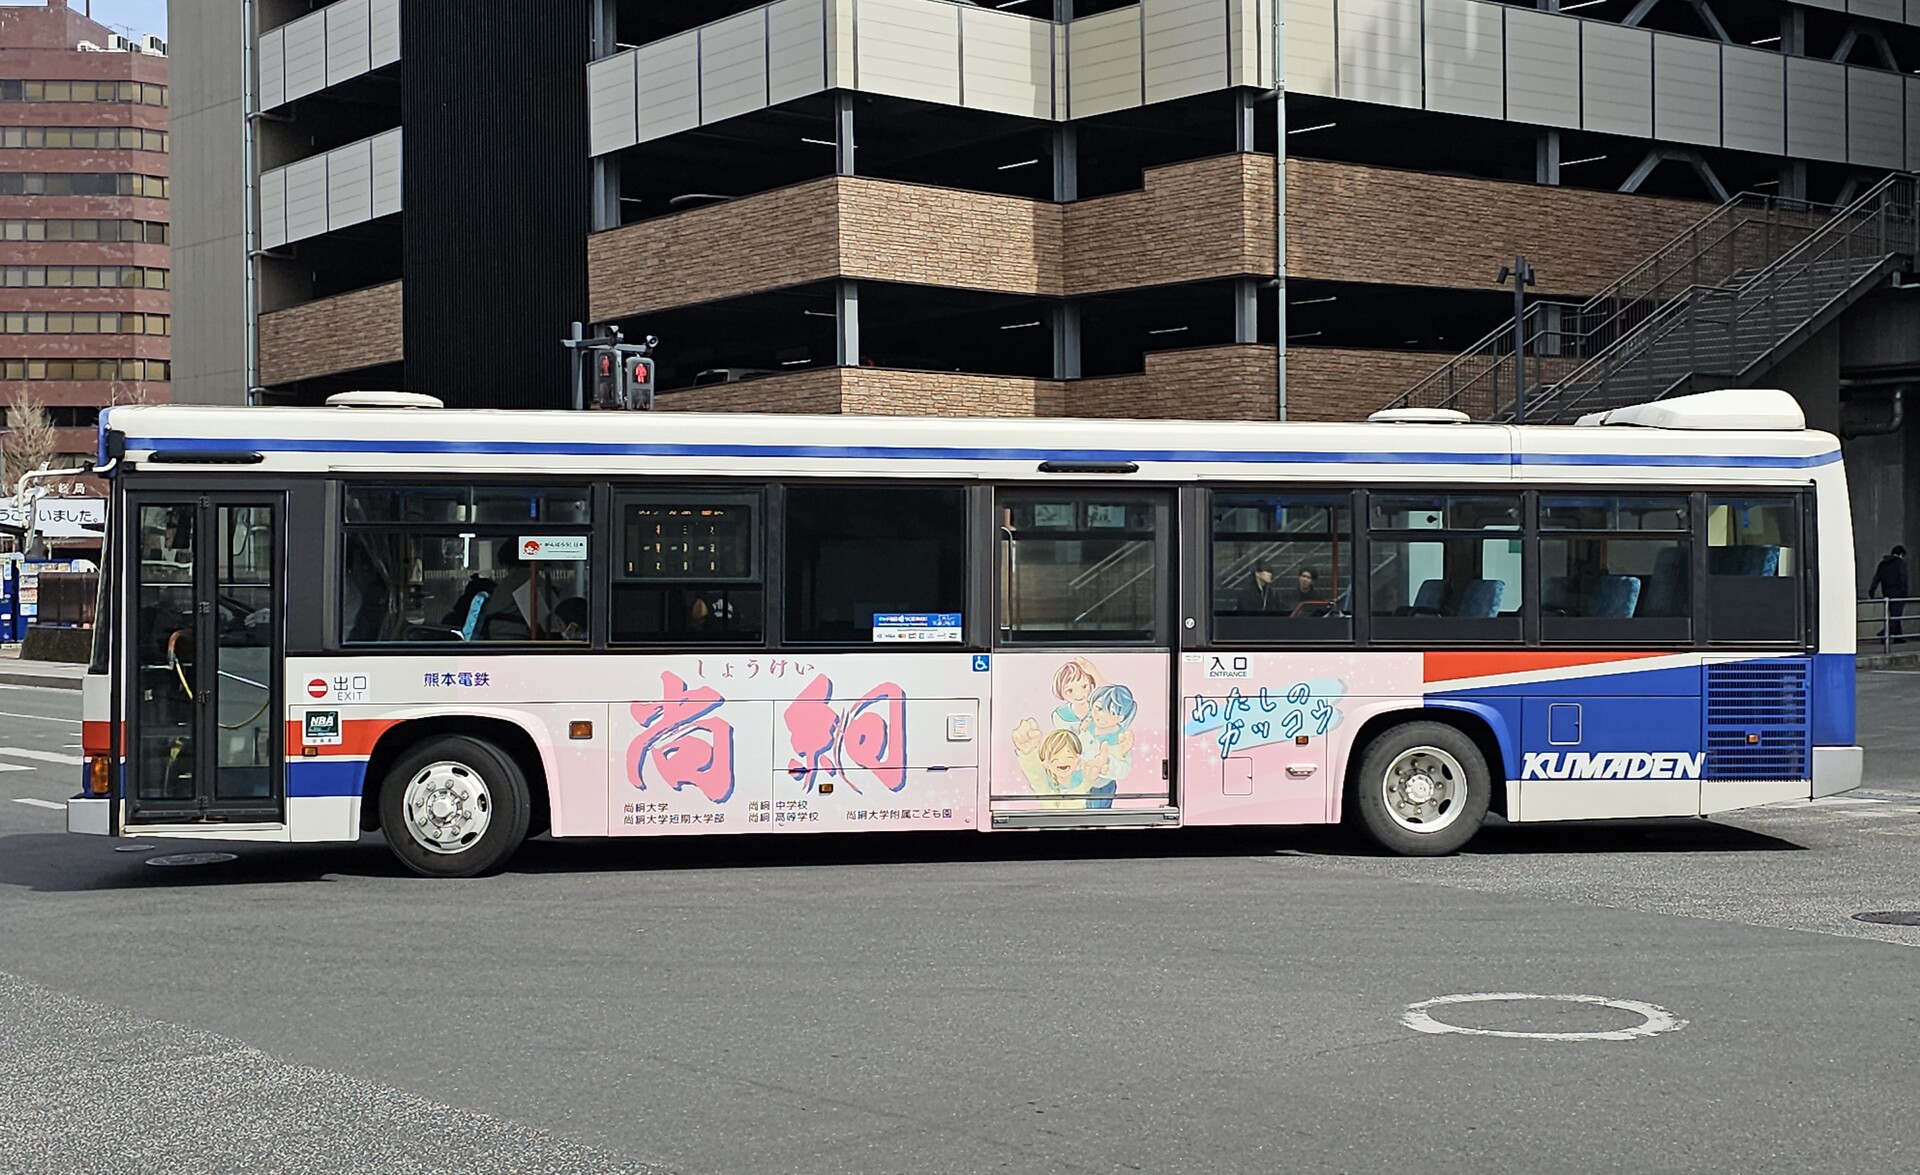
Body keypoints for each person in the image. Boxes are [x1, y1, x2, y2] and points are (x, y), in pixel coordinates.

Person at [1868, 544, 1909, 641]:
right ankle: (1884, 633)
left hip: (1887, 593)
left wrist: (1872, 590)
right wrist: (1904, 591)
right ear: (1901, 554)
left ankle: (1898, 638)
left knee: (1894, 615)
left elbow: (1877, 578)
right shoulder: (1900, 563)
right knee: (1896, 616)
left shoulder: (1883, 564)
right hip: (1899, 594)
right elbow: (1903, 577)